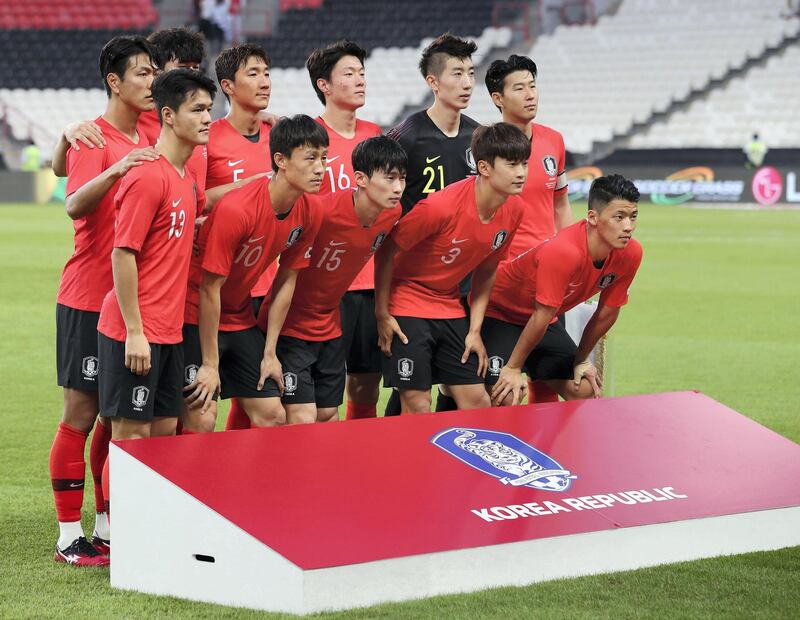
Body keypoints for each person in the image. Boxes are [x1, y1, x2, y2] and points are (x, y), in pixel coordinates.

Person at [50, 35, 157, 567]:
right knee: (81, 412)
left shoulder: (146, 134)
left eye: (153, 72)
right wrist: (117, 168)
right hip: (88, 295)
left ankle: (109, 526)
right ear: (114, 80)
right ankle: (69, 534)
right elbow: (71, 203)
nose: (150, 81)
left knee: (117, 417)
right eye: (141, 73)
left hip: (127, 300)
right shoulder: (95, 137)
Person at [96, 68, 215, 530]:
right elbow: (122, 254)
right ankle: (115, 536)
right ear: (168, 115)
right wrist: (135, 332)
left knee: (164, 434)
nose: (208, 118)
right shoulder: (148, 176)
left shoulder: (185, 178)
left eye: (209, 109)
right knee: (130, 439)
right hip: (136, 331)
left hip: (170, 330)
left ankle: (149, 535)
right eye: (198, 110)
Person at [181, 115, 327, 431]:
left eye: (324, 158)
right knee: (202, 418)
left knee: (273, 415)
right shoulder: (238, 209)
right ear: (280, 161)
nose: (320, 168)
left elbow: (287, 279)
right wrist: (210, 364)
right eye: (310, 158)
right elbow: (209, 289)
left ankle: (247, 481)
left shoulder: (311, 210)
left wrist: (271, 352)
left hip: (238, 317)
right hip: (193, 316)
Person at [374, 123, 528, 413]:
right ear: (484, 167)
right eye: (511, 164)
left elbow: (487, 270)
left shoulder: (515, 210)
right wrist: (382, 312)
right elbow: (387, 250)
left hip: (449, 305)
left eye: (524, 163)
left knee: (478, 401)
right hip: (407, 301)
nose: (521, 172)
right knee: (417, 403)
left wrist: (475, 330)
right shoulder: (441, 207)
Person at [265, 135, 405, 424]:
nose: (398, 188)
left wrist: (382, 311)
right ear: (361, 179)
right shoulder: (320, 210)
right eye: (390, 178)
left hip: (330, 326)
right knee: (297, 417)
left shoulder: (392, 213)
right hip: (290, 326)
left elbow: (388, 254)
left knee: (328, 413)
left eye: (402, 179)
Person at [384, 32, 481, 416]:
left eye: (471, 73)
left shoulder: (479, 138)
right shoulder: (407, 138)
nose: (467, 82)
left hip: (461, 287)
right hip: (412, 287)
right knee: (415, 395)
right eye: (457, 73)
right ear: (433, 82)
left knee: (466, 394)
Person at [485, 174, 643, 407]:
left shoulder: (631, 254)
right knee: (506, 395)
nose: (628, 226)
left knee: (584, 389)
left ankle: (557, 444)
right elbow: (543, 314)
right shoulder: (564, 252)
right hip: (499, 314)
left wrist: (581, 360)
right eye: (618, 217)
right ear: (593, 217)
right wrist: (513, 367)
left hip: (542, 321)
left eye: (633, 216)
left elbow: (607, 313)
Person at [484, 53, 572, 405]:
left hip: (549, 276)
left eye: (533, 86)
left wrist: (570, 257)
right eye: (519, 88)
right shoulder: (482, 145)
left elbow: (561, 203)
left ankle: (545, 454)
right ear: (498, 98)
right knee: (499, 390)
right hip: (502, 283)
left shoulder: (554, 141)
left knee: (548, 381)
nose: (530, 94)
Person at [308, 40, 384, 421]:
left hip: (373, 281)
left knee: (367, 385)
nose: (360, 81)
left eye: (362, 73)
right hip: (328, 286)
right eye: (349, 74)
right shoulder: (311, 139)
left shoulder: (376, 134)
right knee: (326, 398)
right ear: (324, 85)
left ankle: (360, 464)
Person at [51, 27, 208, 191]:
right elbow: (64, 170)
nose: (192, 76)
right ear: (159, 71)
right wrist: (66, 135)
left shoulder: (199, 121)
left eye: (195, 68)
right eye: (183, 67)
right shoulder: (137, 117)